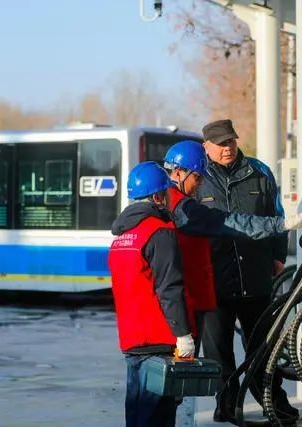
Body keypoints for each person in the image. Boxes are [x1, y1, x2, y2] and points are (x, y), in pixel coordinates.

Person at [158, 140, 302, 352]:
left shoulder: (162, 205)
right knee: (191, 362)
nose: (199, 184)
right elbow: (233, 223)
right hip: (184, 304)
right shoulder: (184, 210)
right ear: (178, 173)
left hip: (193, 300)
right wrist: (282, 224)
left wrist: (279, 242)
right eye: (197, 177)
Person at [195, 119, 300, 423]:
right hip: (214, 281)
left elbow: (276, 215)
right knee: (218, 352)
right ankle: (226, 405)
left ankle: (274, 405)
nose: (227, 148)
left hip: (256, 278)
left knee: (263, 349)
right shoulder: (197, 178)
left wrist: (278, 256)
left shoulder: (259, 172)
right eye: (220, 144)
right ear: (206, 147)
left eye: (230, 141)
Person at [108, 161, 196, 427]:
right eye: (167, 193)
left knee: (137, 415)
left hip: (132, 340)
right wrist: (183, 334)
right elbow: (170, 288)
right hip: (158, 340)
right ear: (157, 197)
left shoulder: (122, 237)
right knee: (158, 417)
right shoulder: (159, 233)